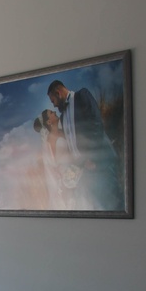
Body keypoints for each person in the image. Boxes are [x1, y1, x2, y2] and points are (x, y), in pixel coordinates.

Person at [47, 80, 123, 211]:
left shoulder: (82, 96)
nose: (53, 105)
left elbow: (96, 125)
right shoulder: (63, 117)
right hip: (85, 170)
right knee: (98, 207)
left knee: (115, 205)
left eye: (53, 100)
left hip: (99, 163)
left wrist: (91, 158)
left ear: (58, 93)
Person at [33, 109, 89, 210]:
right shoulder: (50, 139)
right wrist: (64, 176)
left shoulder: (62, 131)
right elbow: (53, 163)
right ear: (49, 122)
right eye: (51, 113)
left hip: (77, 168)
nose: (55, 112)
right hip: (66, 176)